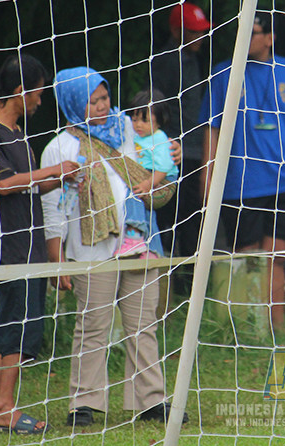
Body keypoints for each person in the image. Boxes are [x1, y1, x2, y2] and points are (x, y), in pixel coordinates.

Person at [41, 67, 184, 427]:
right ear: (73, 102)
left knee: (143, 324)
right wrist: (56, 256)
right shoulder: (60, 146)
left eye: (105, 98)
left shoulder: (127, 129)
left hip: (140, 243)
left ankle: (151, 400)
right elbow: (52, 207)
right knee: (93, 325)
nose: (103, 106)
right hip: (91, 250)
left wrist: (172, 155)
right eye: (93, 101)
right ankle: (83, 403)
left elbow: (155, 159)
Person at [0, 54, 80, 434]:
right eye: (38, 93)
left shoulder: (22, 137)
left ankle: (7, 406)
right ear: (21, 91)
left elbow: (28, 186)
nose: (40, 101)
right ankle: (2, 408)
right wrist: (50, 170)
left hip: (32, 247)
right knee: (14, 323)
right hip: (9, 246)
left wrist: (60, 179)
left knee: (29, 327)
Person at [200, 12, 285, 330]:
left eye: (253, 33)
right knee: (247, 261)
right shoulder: (223, 74)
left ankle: (275, 331)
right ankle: (247, 331)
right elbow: (212, 129)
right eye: (242, 33)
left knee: (276, 258)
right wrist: (206, 177)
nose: (247, 39)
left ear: (270, 37)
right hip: (241, 185)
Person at [149, 1, 210, 267]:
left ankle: (188, 285)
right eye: (193, 31)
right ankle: (170, 283)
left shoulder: (194, 58)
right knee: (172, 220)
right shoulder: (164, 61)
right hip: (173, 154)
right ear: (177, 31)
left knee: (193, 219)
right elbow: (157, 109)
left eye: (201, 31)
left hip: (196, 151)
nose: (200, 37)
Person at [116, 88, 179, 258]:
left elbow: (164, 167)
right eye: (135, 119)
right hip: (150, 174)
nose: (138, 125)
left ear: (159, 120)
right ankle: (153, 250)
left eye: (144, 120)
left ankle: (134, 236)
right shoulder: (139, 136)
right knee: (148, 211)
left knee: (134, 192)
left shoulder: (159, 138)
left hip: (163, 178)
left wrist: (147, 183)